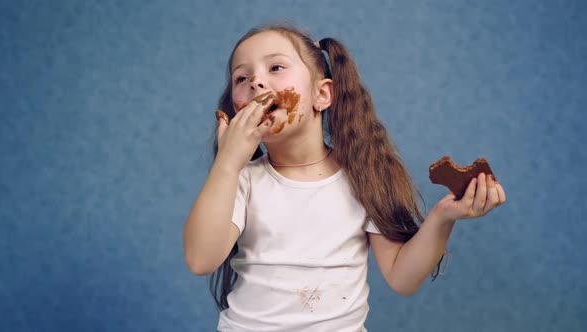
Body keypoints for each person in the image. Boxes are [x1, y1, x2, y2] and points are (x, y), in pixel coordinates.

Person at [183, 24, 506, 332]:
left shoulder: (363, 176)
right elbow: (201, 260)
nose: (256, 82)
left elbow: (402, 278)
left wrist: (442, 217)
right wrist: (227, 163)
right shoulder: (240, 180)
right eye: (242, 77)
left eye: (276, 68)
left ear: (322, 95)